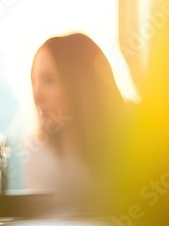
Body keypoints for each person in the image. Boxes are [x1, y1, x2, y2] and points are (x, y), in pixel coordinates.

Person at [20, 32, 130, 215]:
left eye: (49, 80)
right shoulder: (37, 152)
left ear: (80, 83)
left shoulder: (130, 147)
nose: (37, 94)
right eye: (34, 80)